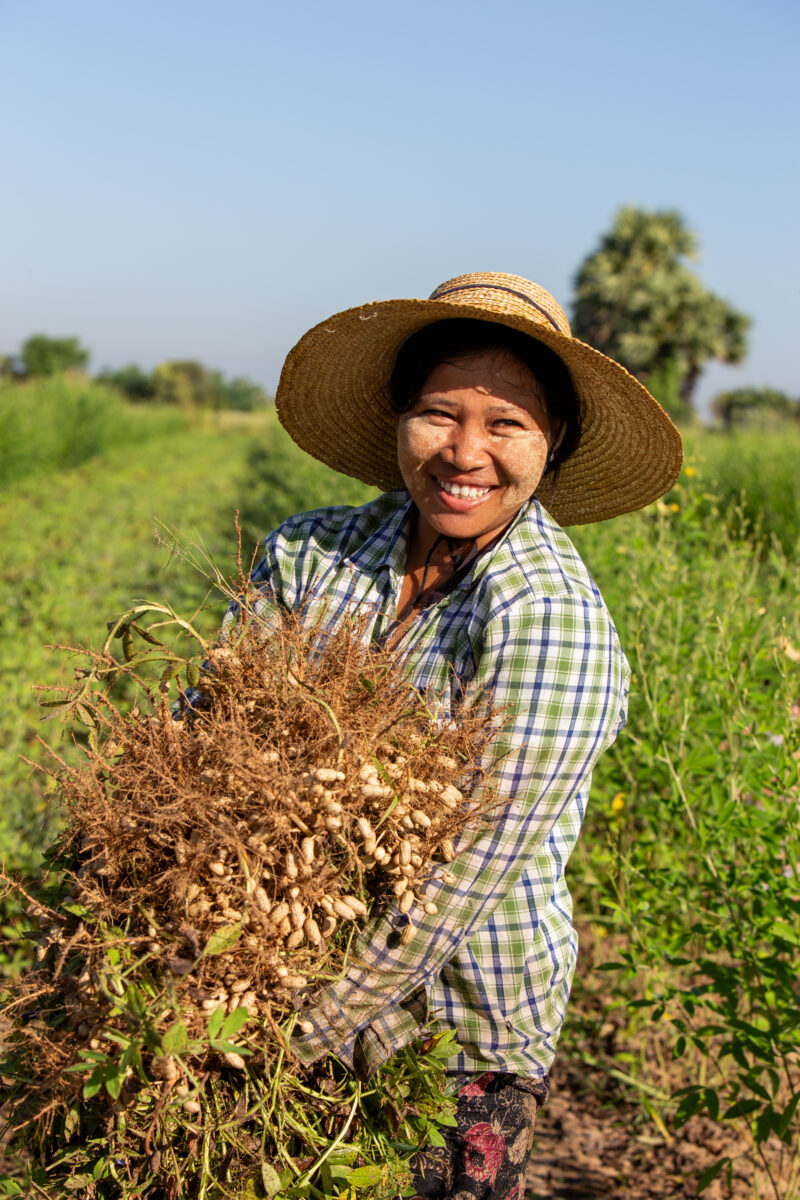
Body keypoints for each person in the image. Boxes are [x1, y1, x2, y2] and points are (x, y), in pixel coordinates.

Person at [249, 272, 682, 1199]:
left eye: (507, 425)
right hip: (261, 970)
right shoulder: (309, 552)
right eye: (439, 413)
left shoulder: (548, 616)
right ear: (395, 417)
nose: (465, 452)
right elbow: (216, 741)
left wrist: (284, 1037)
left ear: (553, 441)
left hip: (447, 1036)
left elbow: (463, 878)